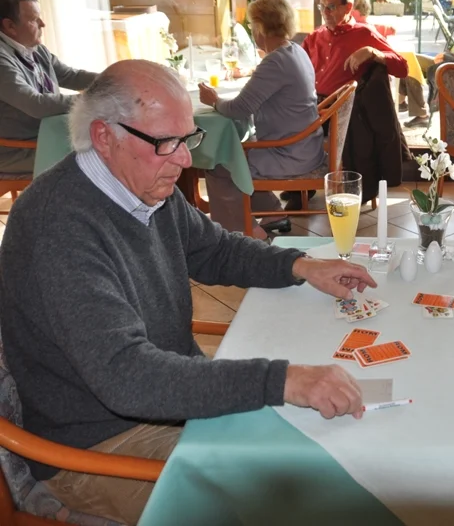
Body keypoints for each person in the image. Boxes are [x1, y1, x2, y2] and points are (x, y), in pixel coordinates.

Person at [0, 59, 378, 525]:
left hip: (167, 402)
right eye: (166, 143)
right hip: (96, 446)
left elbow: (214, 248)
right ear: (104, 137)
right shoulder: (57, 228)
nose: (183, 160)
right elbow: (128, 377)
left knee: (331, 455)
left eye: (187, 139)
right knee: (300, 497)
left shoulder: (142, 185)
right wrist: (284, 380)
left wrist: (300, 265)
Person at [199, 0, 322, 238]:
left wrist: (213, 100)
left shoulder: (275, 62)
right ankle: (273, 213)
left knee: (220, 162)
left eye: (252, 25)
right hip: (305, 146)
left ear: (260, 27)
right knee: (237, 151)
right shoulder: (295, 50)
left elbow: (238, 109)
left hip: (289, 153)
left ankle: (241, 232)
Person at [0, 0, 98, 172]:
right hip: (18, 149)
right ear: (10, 26)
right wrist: (96, 97)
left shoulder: (35, 49)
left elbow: (71, 76)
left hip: (46, 135)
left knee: (108, 140)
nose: (42, 24)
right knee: (100, 154)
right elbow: (35, 104)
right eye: (34, 19)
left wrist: (115, 78)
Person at [301, 0, 408, 100]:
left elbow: (403, 68)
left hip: (341, 107)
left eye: (331, 7)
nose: (325, 13)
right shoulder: (314, 36)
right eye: (322, 7)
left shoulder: (364, 34)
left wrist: (372, 52)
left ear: (348, 7)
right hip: (307, 102)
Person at [398, 0, 454, 127]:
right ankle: (403, 102)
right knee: (407, 60)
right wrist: (446, 55)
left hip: (451, 68)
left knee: (410, 64)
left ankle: (419, 112)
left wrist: (446, 56)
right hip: (446, 62)